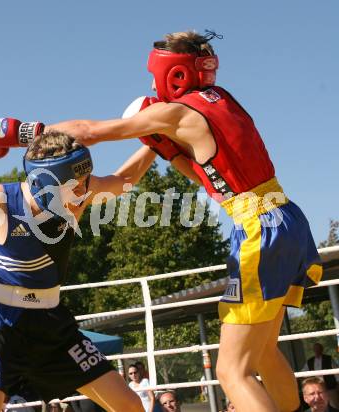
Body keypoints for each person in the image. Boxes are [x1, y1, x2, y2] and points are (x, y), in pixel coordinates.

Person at [39, 29, 323, 412]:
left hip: (259, 228)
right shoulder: (222, 100)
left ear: (172, 73)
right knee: (264, 352)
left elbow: (90, 132)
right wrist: (169, 152)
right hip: (287, 216)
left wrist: (28, 133)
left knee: (231, 372)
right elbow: (215, 178)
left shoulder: (174, 112)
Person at [0, 130, 156, 412]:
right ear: (44, 183)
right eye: (74, 185)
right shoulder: (1, 200)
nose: (82, 192)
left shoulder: (81, 190)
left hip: (51, 324)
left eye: (85, 181)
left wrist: (157, 140)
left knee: (130, 405)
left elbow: (123, 181)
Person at [302, 343, 339, 408]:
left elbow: (336, 373)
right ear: (313, 350)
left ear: (321, 349)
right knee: (318, 406)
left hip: (330, 388)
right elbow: (303, 373)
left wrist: (337, 384)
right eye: (315, 349)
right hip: (316, 389)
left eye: (318, 349)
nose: (317, 350)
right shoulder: (310, 361)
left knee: (334, 406)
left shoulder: (329, 359)